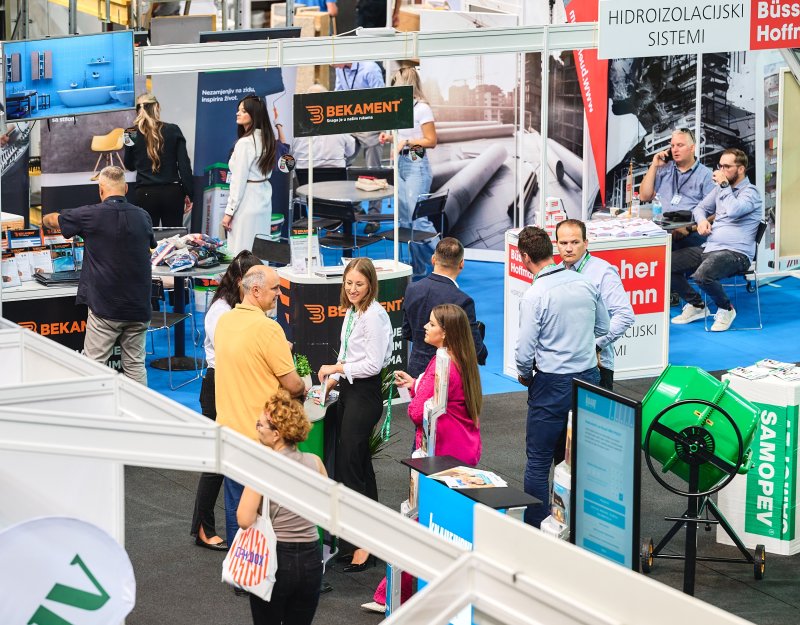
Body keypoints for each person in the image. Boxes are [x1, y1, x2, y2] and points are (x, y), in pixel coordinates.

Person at [365, 303, 483, 613]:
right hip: (461, 452)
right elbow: (443, 397)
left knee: (420, 525)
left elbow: (418, 411)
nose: (425, 328)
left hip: (438, 455)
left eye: (431, 324)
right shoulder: (459, 359)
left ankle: (392, 594)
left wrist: (418, 392)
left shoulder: (442, 363)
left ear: (446, 332)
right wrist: (417, 384)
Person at [514, 226, 609, 528]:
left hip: (551, 384)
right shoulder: (585, 283)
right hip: (588, 380)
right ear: (552, 249)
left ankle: (537, 528)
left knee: (539, 460)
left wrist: (525, 374)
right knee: (580, 457)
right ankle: (581, 524)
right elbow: (604, 327)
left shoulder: (535, 294)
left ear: (524, 257)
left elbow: (524, 349)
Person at [215, 265, 305, 550]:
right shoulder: (268, 329)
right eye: (275, 288)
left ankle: (241, 567)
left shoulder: (224, 322)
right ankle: (269, 569)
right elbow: (293, 384)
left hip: (228, 433)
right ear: (255, 290)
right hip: (262, 440)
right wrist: (304, 386)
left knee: (237, 510)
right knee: (271, 515)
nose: (279, 293)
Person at [42, 166, 155, 386]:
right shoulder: (143, 216)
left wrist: (45, 219)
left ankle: (95, 406)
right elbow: (150, 245)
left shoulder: (89, 215)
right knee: (135, 366)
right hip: (139, 307)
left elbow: (55, 220)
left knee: (93, 367)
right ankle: (139, 407)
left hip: (106, 308)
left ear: (101, 190)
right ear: (126, 188)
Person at [317, 258, 393, 572]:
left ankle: (361, 544)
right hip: (350, 392)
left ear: (370, 284)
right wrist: (332, 380)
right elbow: (349, 354)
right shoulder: (353, 312)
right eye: (348, 283)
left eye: (359, 284)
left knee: (352, 469)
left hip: (364, 396)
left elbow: (372, 365)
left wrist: (336, 368)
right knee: (359, 467)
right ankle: (368, 539)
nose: (352, 289)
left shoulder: (373, 316)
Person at [190, 250, 262, 552]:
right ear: (240, 279)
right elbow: (230, 350)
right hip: (218, 385)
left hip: (237, 383)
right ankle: (203, 528)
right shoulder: (220, 310)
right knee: (217, 459)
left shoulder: (244, 306)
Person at [237, 389, 327, 625]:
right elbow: (327, 511)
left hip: (275, 559)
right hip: (311, 559)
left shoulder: (263, 466)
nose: (257, 428)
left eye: (260, 424)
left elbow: (244, 519)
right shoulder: (315, 463)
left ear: (276, 434)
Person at [670, 148, 763, 332]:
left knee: (702, 275)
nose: (721, 171)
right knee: (666, 265)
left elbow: (734, 210)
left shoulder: (751, 192)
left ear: (741, 169)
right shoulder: (721, 189)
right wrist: (702, 221)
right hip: (710, 247)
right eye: (720, 166)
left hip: (737, 254)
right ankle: (697, 305)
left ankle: (726, 309)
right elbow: (699, 208)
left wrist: (723, 185)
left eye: (727, 167)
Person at [555, 219, 634, 390]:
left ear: (585, 243)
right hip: (561, 364)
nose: (569, 248)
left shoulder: (603, 271)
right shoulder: (556, 272)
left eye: (575, 242)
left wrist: (594, 345)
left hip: (596, 365)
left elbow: (625, 315)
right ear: (557, 244)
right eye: (563, 243)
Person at [380, 62, 439, 280]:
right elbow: (404, 137)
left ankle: (448, 260)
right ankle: (419, 268)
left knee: (418, 219)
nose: (393, 88)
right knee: (405, 221)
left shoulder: (422, 108)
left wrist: (405, 142)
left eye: (396, 83)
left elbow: (431, 140)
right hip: (401, 163)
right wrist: (390, 138)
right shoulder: (401, 109)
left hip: (416, 163)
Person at [402, 237, 487, 377]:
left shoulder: (412, 289)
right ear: (461, 264)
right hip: (446, 375)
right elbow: (474, 349)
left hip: (415, 371)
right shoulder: (462, 301)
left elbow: (407, 332)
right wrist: (483, 353)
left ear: (433, 259)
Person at [123, 92, 194, 228]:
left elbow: (129, 165)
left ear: (137, 110)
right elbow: (184, 165)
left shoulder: (130, 133)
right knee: (175, 237)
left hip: (145, 193)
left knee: (147, 237)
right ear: (157, 107)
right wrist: (189, 193)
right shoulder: (173, 129)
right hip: (172, 193)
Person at [638, 127, 715, 252]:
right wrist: (654, 165)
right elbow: (644, 196)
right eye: (672, 146)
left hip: (688, 232)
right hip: (661, 229)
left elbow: (714, 214)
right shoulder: (664, 169)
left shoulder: (706, 175)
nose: (675, 150)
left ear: (692, 148)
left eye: (680, 145)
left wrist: (689, 229)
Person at [222, 95, 277, 256]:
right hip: (263, 202)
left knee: (241, 254)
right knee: (260, 252)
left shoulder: (245, 143)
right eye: (238, 110)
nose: (238, 113)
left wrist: (229, 212)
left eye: (244, 111)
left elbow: (238, 181)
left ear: (254, 115)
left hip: (246, 204)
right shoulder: (267, 140)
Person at [291, 85, 356, 169]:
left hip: (304, 175)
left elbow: (290, 154)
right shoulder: (339, 125)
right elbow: (351, 151)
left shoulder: (296, 127)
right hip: (335, 175)